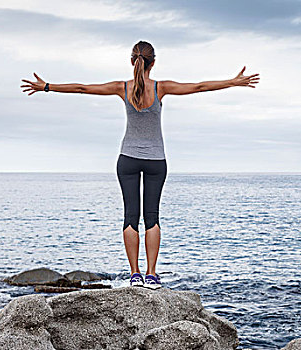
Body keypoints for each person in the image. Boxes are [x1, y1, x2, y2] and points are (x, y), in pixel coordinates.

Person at [20, 40, 260, 289]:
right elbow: (199, 87)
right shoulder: (161, 88)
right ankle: (152, 275)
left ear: (131, 61)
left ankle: (135, 274)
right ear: (153, 62)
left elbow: (82, 88)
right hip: (156, 160)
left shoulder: (121, 88)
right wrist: (232, 82)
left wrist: (47, 87)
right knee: (152, 217)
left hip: (128, 159)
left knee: (130, 217)